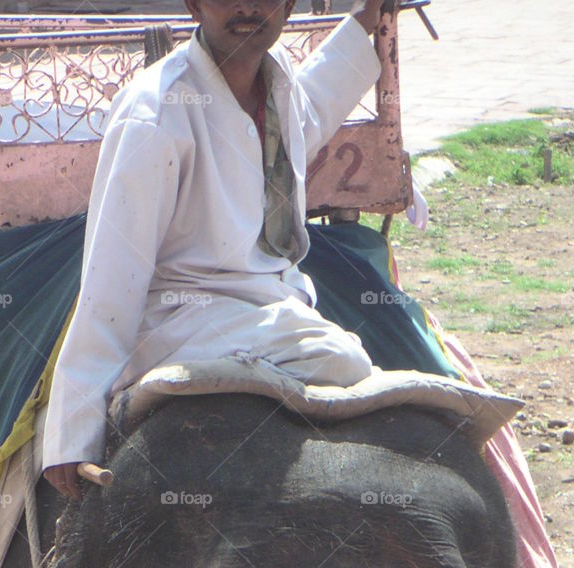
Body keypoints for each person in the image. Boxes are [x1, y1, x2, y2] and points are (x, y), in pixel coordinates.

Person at [43, 0, 384, 498]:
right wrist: (74, 429)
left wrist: (366, 18)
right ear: (193, 4)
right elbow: (112, 278)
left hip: (272, 310)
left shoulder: (277, 81)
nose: (246, 6)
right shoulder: (154, 113)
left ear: (289, 5)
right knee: (342, 359)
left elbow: (305, 118)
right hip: (182, 322)